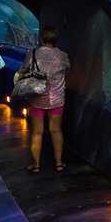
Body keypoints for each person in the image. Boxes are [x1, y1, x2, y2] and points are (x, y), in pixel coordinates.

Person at [22, 26, 70, 174]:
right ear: (55, 40)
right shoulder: (63, 55)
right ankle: (59, 164)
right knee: (56, 130)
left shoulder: (33, 53)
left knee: (37, 132)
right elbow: (67, 70)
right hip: (56, 99)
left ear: (41, 39)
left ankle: (36, 165)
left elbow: (24, 70)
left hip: (37, 99)